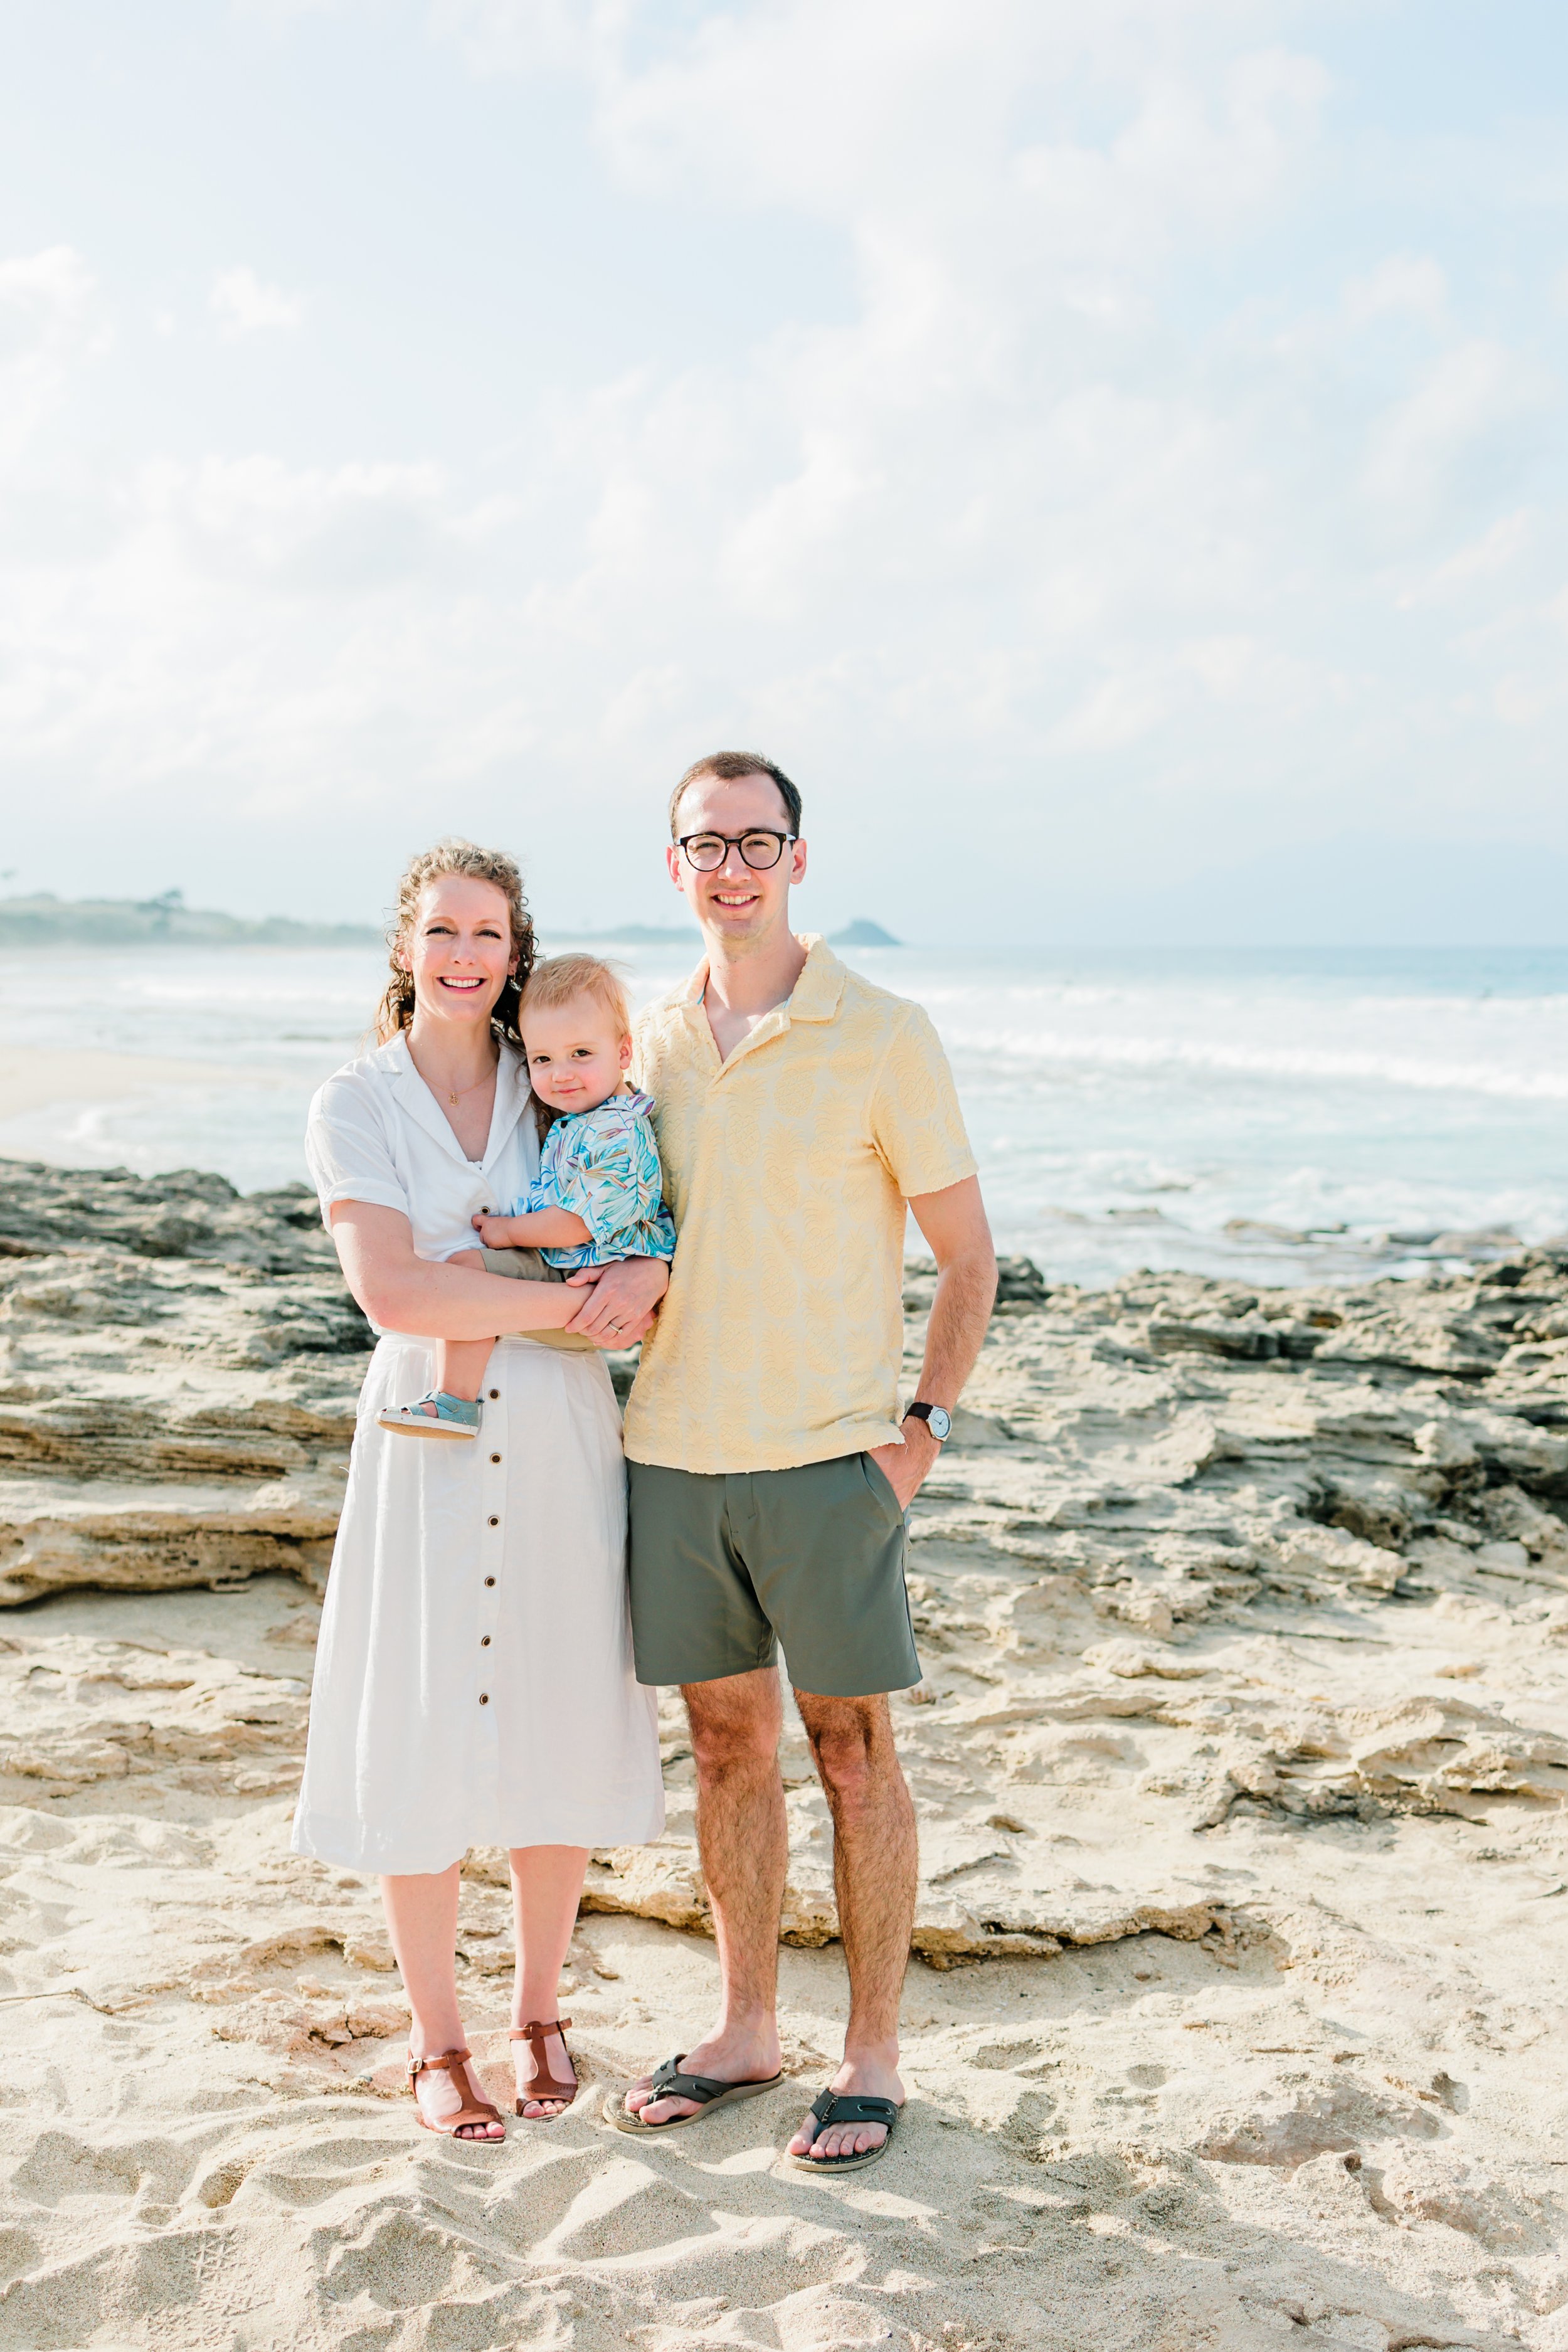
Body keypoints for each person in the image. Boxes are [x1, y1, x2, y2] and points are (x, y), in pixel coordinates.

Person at [613, 753, 998, 2173]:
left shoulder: (883, 1029)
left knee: (854, 1751)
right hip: (671, 1453)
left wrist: (922, 1431)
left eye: (756, 839)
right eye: (705, 843)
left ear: (798, 856)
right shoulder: (641, 1042)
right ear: (675, 865)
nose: (732, 864)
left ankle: (874, 2050)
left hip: (833, 1463)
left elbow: (968, 1255)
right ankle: (745, 2024)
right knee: (724, 1748)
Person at [294, 840, 668, 2140]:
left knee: (558, 1705)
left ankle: (539, 2013)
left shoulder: (558, 1081)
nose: (464, 954)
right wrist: (577, 1298)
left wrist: (652, 1278)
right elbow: (390, 1292)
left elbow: (647, 1213)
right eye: (443, 930)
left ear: (516, 957)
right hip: (425, 1443)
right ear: (405, 946)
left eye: (489, 935)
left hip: (562, 1439)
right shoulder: (356, 1102)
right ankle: (438, 2040)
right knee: (420, 1718)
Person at [377, 953, 675, 1439]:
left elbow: (576, 1222)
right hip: (576, 1271)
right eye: (543, 1059)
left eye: (581, 1054)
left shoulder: (616, 1132)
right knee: (467, 1278)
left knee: (466, 1272)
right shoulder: (583, 1121)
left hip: (588, 1277)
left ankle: (454, 1401)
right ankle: (453, 1400)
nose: (561, 1074)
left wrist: (506, 1230)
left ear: (624, 1053)